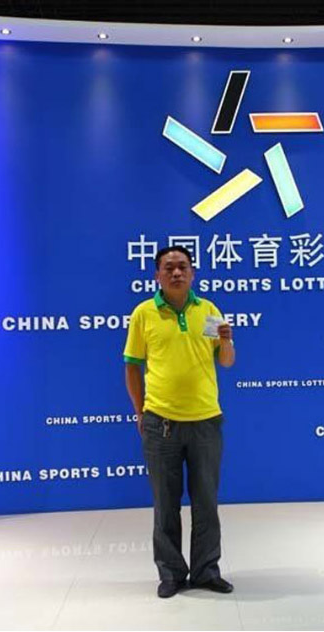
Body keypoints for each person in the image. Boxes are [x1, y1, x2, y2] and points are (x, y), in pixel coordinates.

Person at [124, 246, 235, 598]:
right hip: (161, 423)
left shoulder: (209, 310)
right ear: (157, 274)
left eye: (183, 267)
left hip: (205, 421)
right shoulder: (144, 313)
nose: (176, 273)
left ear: (192, 273)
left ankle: (206, 571)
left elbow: (226, 361)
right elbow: (132, 365)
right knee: (165, 504)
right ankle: (171, 573)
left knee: (206, 503)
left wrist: (226, 341)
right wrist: (140, 412)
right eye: (169, 268)